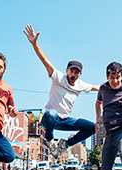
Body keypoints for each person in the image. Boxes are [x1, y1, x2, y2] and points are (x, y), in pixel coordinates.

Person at [24, 24, 99, 158]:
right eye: (71, 71)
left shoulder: (81, 84)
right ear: (67, 71)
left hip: (65, 121)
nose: (73, 75)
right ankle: (50, 140)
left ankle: (65, 144)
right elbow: (45, 61)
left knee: (93, 127)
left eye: (76, 73)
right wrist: (34, 44)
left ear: (80, 74)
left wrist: (120, 87)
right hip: (50, 119)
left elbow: (98, 87)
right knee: (51, 114)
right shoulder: (58, 77)